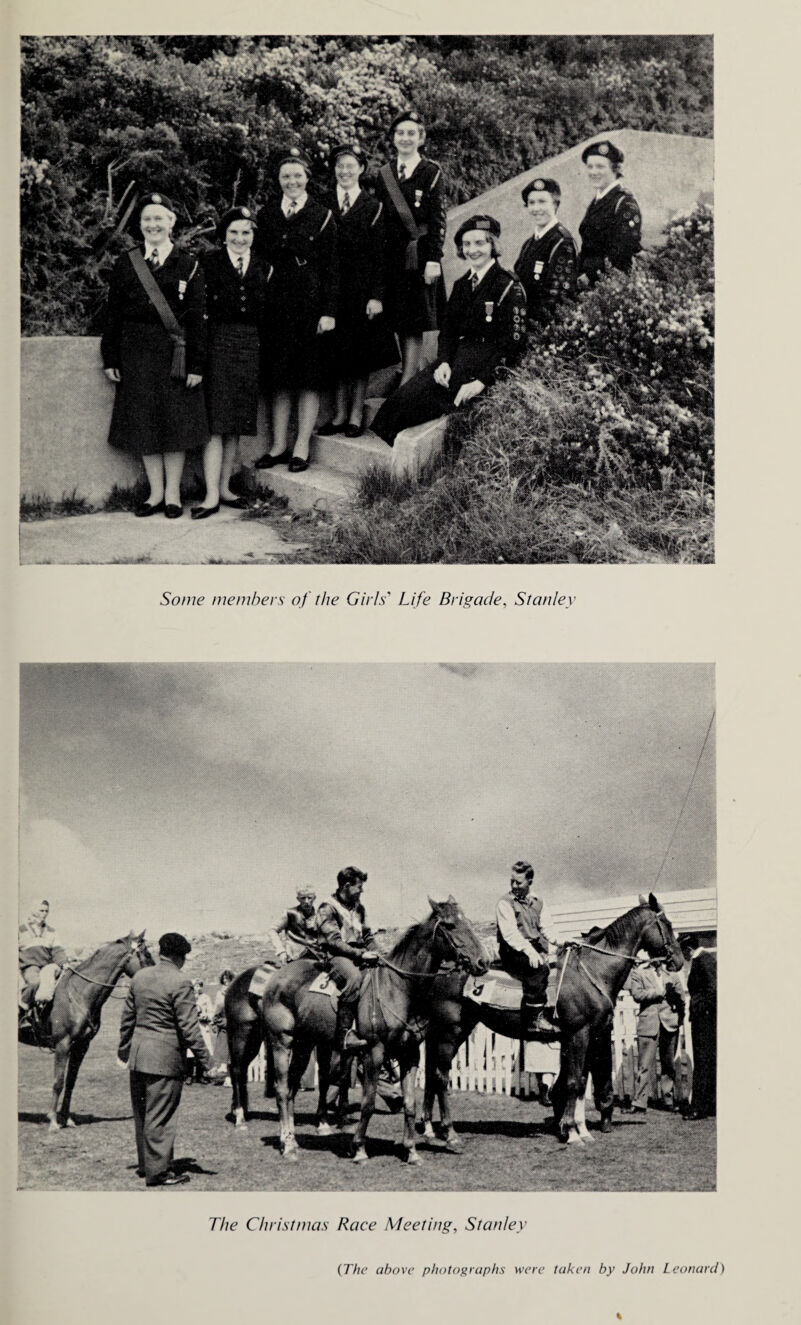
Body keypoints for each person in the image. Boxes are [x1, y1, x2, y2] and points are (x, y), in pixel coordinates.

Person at [371, 215, 526, 447]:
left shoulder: (507, 285)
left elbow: (512, 343)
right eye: (467, 244)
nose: (473, 250)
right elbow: (448, 331)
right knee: (398, 402)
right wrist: (443, 361)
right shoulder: (462, 284)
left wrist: (482, 382)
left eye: (480, 243)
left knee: (424, 403)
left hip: (486, 363)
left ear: (493, 245)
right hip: (456, 359)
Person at [101, 191, 208, 517]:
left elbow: (198, 318)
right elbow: (113, 315)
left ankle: (173, 494)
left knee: (174, 425)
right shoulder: (126, 263)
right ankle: (155, 493)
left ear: (172, 222)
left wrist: (197, 364)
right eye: (147, 219)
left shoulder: (188, 264)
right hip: (136, 354)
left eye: (159, 218)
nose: (153, 224)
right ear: (140, 225)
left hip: (175, 355)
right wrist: (111, 358)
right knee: (144, 423)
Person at [254, 147, 339, 473]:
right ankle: (277, 445)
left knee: (307, 378)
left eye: (297, 175)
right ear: (279, 180)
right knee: (278, 378)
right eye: (285, 176)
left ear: (307, 179)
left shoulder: (323, 215)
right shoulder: (266, 215)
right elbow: (259, 261)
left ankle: (301, 445)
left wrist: (328, 311)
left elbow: (332, 267)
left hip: (310, 304)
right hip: (276, 305)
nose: (291, 181)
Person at [193, 206, 273, 517]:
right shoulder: (209, 263)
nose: (240, 238)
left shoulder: (264, 268)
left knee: (235, 423)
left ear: (253, 236)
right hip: (218, 345)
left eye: (246, 232)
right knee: (216, 423)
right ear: (224, 236)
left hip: (249, 347)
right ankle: (211, 495)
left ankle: (225, 487)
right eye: (234, 233)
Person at [117, 931, 211, 1187]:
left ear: (160, 953)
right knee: (161, 1116)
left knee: (143, 1115)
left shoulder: (140, 977)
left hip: (138, 1057)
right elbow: (190, 1029)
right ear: (180, 957)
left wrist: (124, 1050)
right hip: (165, 1059)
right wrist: (208, 1063)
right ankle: (158, 1173)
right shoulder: (180, 981)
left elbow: (127, 1020)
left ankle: (148, 1165)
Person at [317, 144, 397, 437]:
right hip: (332, 292)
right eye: (340, 166)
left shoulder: (373, 207)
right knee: (336, 356)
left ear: (361, 169)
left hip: (361, 293)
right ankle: (338, 414)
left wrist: (377, 295)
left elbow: (380, 257)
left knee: (359, 357)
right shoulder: (322, 203)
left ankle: (354, 415)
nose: (345, 171)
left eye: (351, 166)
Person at [373, 110, 446, 384]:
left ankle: (409, 378)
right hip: (392, 256)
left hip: (420, 254)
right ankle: (407, 369)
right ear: (393, 138)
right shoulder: (384, 174)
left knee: (414, 319)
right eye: (400, 133)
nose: (405, 138)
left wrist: (434, 259)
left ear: (421, 138)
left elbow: (439, 217)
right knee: (397, 316)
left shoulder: (430, 172)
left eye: (411, 133)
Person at [316, 866, 380, 1052]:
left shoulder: (359, 908)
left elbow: (367, 935)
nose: (361, 891)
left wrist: (378, 953)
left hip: (359, 953)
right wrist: (360, 954)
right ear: (346, 886)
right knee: (353, 978)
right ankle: (344, 1034)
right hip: (337, 956)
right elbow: (333, 941)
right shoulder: (327, 908)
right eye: (358, 887)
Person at [495, 861, 555, 1036]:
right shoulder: (504, 903)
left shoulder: (539, 902)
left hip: (534, 947)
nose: (514, 885)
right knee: (538, 969)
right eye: (512, 881)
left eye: (518, 882)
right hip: (512, 949)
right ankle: (533, 1019)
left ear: (530, 881)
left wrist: (563, 941)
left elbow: (547, 928)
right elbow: (511, 934)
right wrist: (530, 952)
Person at [514, 177, 578, 326]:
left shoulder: (562, 242)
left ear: (555, 204)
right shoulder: (529, 243)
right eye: (531, 203)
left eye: (542, 202)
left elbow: (557, 299)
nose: (536, 208)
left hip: (544, 328)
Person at [577, 140, 642, 286]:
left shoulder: (624, 203)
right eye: (590, 167)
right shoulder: (597, 201)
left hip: (612, 285)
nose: (593, 172)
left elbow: (622, 251)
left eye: (600, 166)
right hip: (590, 281)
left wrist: (590, 275)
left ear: (615, 169)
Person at [628, 958, 686, 1114]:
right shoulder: (638, 972)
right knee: (644, 1065)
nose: (657, 958)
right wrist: (657, 993)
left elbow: (681, 997)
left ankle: (668, 1100)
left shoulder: (672, 973)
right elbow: (637, 994)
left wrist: (679, 1017)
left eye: (660, 954)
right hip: (649, 1023)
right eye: (654, 954)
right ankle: (640, 1102)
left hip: (670, 1023)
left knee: (668, 1064)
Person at [681, 934, 717, 1120]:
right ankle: (709, 1104)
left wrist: (702, 1011)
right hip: (705, 1019)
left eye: (683, 951)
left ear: (688, 949)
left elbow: (713, 990)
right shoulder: (704, 959)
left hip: (704, 1020)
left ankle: (699, 1108)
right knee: (707, 1062)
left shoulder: (702, 960)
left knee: (702, 1063)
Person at [18, 899, 67, 1011]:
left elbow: (58, 950)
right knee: (35, 983)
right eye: (41, 910)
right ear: (33, 911)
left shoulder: (52, 931)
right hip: (30, 967)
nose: (44, 914)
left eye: (46, 911)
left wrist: (64, 963)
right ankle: (22, 1008)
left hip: (47, 967)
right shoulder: (20, 930)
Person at [269, 887, 324, 964]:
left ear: (314, 898)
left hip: (316, 957)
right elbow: (272, 930)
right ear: (298, 899)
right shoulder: (289, 913)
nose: (306, 901)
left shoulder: (320, 915)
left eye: (309, 898)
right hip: (294, 959)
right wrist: (281, 951)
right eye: (303, 898)